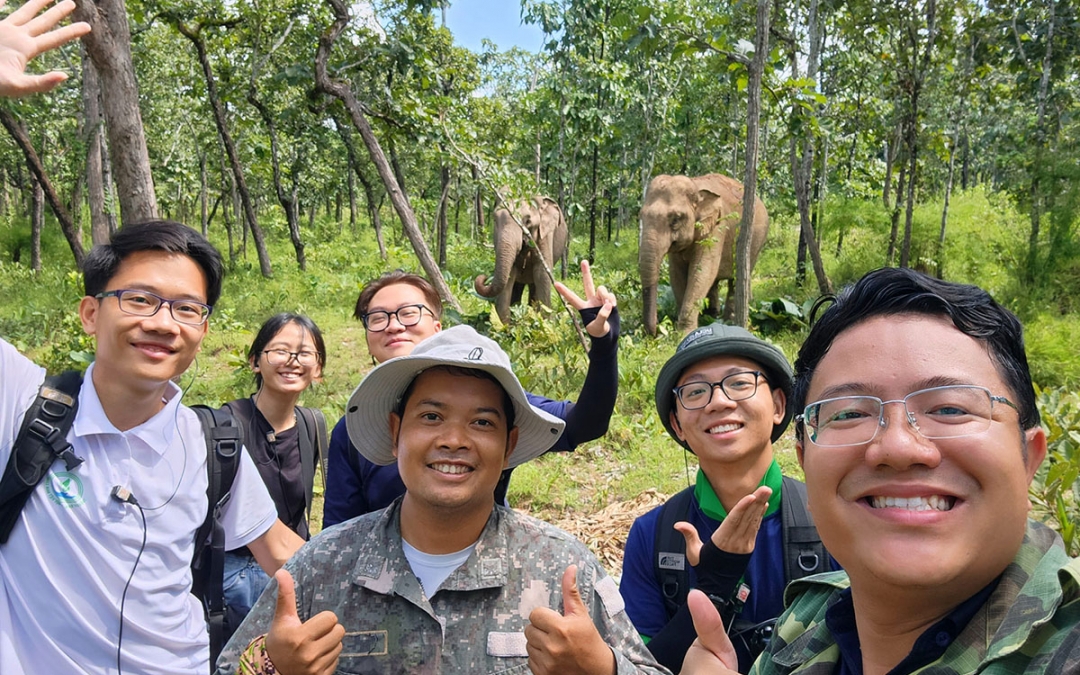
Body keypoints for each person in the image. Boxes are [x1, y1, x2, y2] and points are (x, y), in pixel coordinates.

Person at [680, 267, 1080, 675]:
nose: (898, 447)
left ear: (1029, 456)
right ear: (803, 459)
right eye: (850, 413)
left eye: (949, 409)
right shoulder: (805, 621)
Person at [216, 326, 668, 675]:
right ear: (396, 434)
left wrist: (602, 668)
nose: (453, 440)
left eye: (482, 423)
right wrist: (273, 667)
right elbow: (234, 665)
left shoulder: (562, 567)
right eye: (431, 416)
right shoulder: (323, 565)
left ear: (509, 446)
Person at [0, 221, 304, 674]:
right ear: (90, 313)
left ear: (202, 330)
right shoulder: (21, 405)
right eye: (139, 299)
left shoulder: (211, 443)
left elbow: (281, 550)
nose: (162, 323)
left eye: (187, 309)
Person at [322, 260, 619, 526]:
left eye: (409, 313)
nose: (394, 325)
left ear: (437, 327)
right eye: (377, 318)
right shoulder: (351, 431)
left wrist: (604, 345)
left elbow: (584, 424)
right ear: (393, 431)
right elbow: (340, 528)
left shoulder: (489, 396)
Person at [620, 323, 828, 673]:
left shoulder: (831, 517)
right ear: (677, 425)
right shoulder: (652, 535)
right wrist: (713, 587)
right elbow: (640, 666)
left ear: (779, 405)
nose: (719, 401)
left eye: (740, 383)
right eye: (696, 391)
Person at [220, 313, 328, 635]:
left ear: (318, 369)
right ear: (255, 361)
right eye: (280, 350)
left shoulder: (313, 424)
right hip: (237, 576)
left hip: (293, 563)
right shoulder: (227, 425)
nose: (292, 361)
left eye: (305, 353)